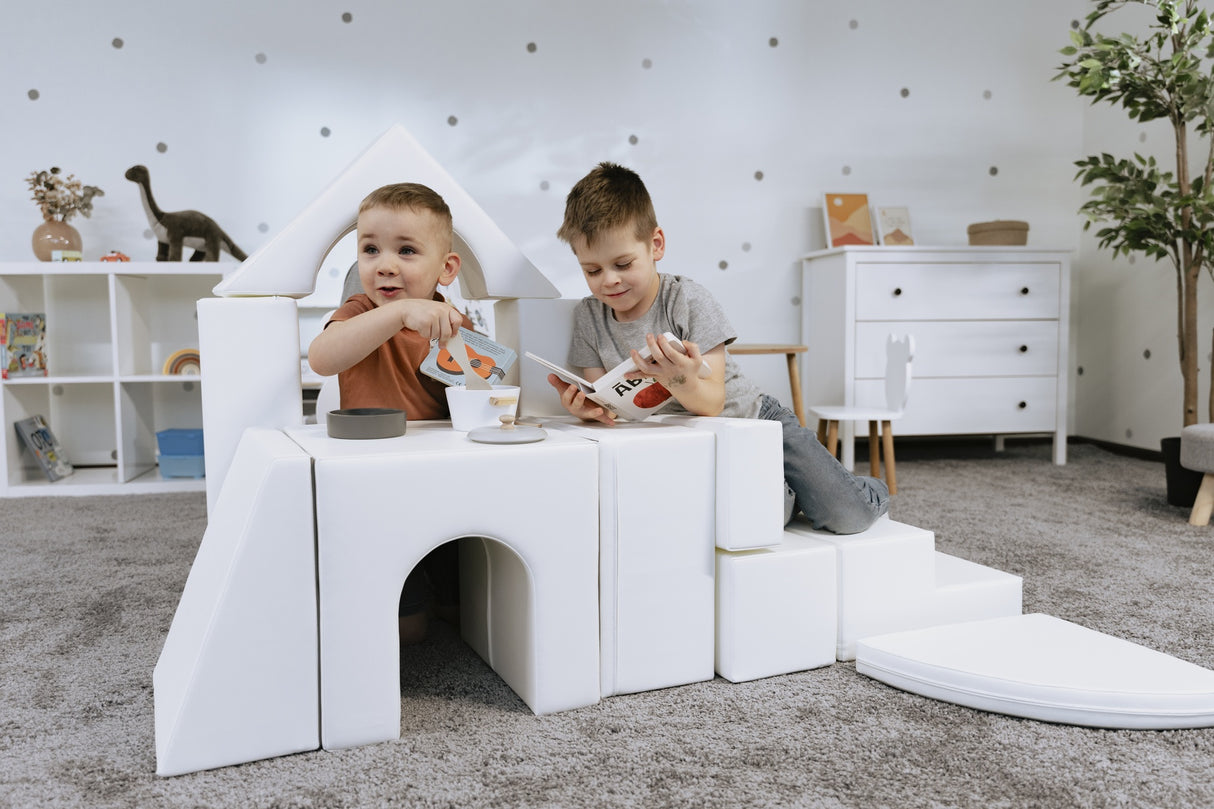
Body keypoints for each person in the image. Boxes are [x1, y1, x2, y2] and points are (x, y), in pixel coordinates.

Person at [549, 162, 889, 534]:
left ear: (655, 245)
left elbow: (711, 403)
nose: (608, 281)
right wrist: (590, 411)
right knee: (760, 517)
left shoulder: (686, 300)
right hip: (693, 442)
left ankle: (865, 487)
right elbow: (609, 405)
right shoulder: (589, 317)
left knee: (848, 516)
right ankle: (795, 492)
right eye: (592, 271)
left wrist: (679, 378)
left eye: (622, 264)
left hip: (753, 420)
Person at [309, 182, 470, 643]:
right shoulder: (360, 311)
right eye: (371, 249)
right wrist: (399, 315)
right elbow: (322, 357)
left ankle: (443, 595)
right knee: (409, 630)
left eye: (406, 250)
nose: (385, 265)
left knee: (468, 612)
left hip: (440, 478)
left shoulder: (451, 321)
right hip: (374, 479)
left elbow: (484, 392)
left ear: (445, 268)